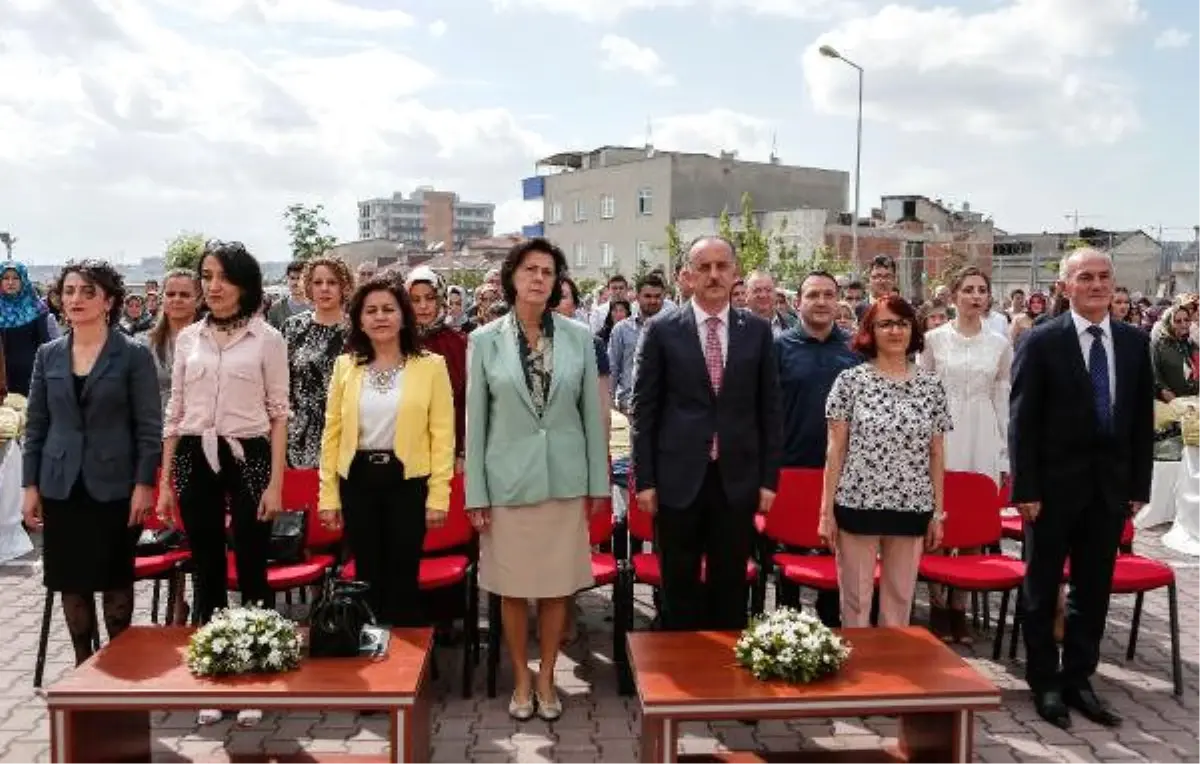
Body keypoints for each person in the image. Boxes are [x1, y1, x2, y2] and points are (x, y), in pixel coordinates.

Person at [465, 238, 608, 722]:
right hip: (507, 484)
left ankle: (547, 676)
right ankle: (520, 679)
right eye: (530, 270)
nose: (538, 279)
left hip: (564, 481)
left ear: (556, 282)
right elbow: (476, 424)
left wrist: (597, 483)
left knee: (555, 586)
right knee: (511, 586)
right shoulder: (483, 341)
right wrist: (476, 493)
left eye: (548, 272)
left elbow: (592, 415)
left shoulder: (579, 337)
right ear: (512, 277)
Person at [1010, 248, 1154, 730]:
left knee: (1092, 591)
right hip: (1050, 491)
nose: (1097, 285)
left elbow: (1140, 419)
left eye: (1104, 277)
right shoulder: (1042, 341)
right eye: (1085, 277)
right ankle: (1044, 682)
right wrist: (1025, 487)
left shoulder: (1134, 343)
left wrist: (1138, 484)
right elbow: (1022, 422)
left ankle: (1078, 678)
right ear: (1064, 285)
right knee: (1041, 587)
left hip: (1109, 491)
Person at [156, 241, 289, 728]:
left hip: (249, 451)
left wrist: (275, 482)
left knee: (252, 563)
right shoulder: (189, 338)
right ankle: (214, 674)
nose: (212, 286)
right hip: (194, 450)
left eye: (222, 278)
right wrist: (168, 482)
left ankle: (256, 675)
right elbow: (173, 413)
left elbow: (279, 415)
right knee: (207, 566)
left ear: (244, 284)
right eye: (206, 276)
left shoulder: (267, 338)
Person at [631, 235, 782, 633]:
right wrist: (644, 481)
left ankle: (726, 680)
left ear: (735, 274)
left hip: (736, 480)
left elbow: (770, 410)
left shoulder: (758, 332)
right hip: (677, 480)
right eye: (704, 267)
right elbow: (643, 411)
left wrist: (768, 480)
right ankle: (681, 674)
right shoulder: (661, 330)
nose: (713, 275)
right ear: (688, 276)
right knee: (678, 586)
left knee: (730, 584)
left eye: (722, 266)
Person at [21, 260, 161, 666]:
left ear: (109, 301)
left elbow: (148, 427)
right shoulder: (48, 355)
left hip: (115, 486)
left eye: (87, 292)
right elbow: (37, 424)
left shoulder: (133, 355)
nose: (76, 299)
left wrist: (144, 484)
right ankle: (84, 668)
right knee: (72, 584)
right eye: (69, 291)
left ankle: (119, 669)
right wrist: (31, 485)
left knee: (115, 582)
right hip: (61, 484)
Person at [318, 276, 454, 626]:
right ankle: (369, 650)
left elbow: (443, 436)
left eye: (389, 309)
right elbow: (330, 435)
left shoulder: (430, 366)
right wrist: (328, 496)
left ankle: (405, 664)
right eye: (371, 310)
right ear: (359, 319)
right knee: (366, 574)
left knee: (402, 576)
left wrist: (439, 495)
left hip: (408, 483)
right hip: (357, 482)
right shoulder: (344, 367)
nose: (380, 317)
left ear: (404, 316)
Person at [820, 295, 950, 629]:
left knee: (899, 602)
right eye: (886, 324)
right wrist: (826, 512)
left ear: (913, 330)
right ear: (870, 331)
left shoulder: (931, 386)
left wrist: (938, 513)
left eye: (903, 323)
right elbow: (835, 451)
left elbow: (936, 453)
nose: (895, 331)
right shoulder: (850, 382)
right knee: (856, 601)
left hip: (911, 506)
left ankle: (896, 676)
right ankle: (857, 675)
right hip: (857, 503)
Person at [918, 267, 1012, 643]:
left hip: (983, 431)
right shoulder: (933, 339)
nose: (976, 296)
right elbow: (922, 393)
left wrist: (1004, 453)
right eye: (968, 289)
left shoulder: (1000, 345)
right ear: (953, 295)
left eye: (982, 290)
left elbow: (1002, 398)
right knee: (940, 513)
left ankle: (961, 604)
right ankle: (938, 602)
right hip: (942, 434)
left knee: (973, 517)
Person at [775, 271, 862, 627]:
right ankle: (788, 630)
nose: (822, 302)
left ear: (838, 300)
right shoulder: (778, 348)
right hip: (792, 467)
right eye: (813, 295)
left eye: (829, 295)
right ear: (799, 303)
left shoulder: (855, 350)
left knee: (835, 557)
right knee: (790, 557)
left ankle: (831, 627)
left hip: (843, 470)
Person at [284, 256, 351, 468]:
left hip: (346, 435)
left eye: (332, 282)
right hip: (299, 437)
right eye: (317, 283)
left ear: (344, 287)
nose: (324, 289)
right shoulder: (293, 328)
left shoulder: (358, 331)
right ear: (308, 287)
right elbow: (280, 386)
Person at [404, 267, 467, 471]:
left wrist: (461, 452)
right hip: (403, 448)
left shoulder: (458, 343)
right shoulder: (396, 343)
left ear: (440, 299)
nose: (423, 306)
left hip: (445, 448)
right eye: (415, 300)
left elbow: (464, 401)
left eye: (430, 298)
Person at [140, 269, 201, 421]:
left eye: (185, 295)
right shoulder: (143, 344)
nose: (177, 299)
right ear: (162, 298)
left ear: (199, 300)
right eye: (171, 294)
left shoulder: (213, 342)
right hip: (155, 431)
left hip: (198, 432)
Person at [1, 261, 54, 397]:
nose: (10, 282)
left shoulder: (36, 308)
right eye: (6, 278)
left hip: (30, 376)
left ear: (23, 280)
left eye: (15, 278)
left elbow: (45, 344)